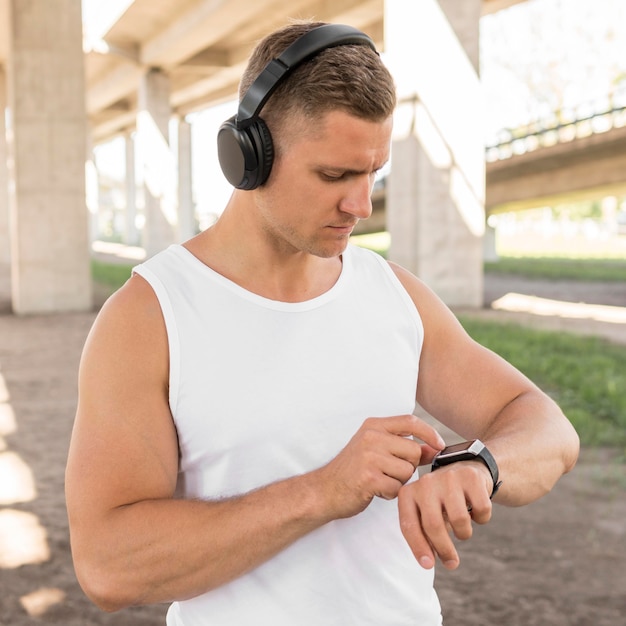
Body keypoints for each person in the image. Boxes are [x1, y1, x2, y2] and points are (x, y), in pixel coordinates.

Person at [66, 20, 579, 626]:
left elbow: (548, 428)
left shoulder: (395, 295)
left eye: (373, 174)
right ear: (247, 156)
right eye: (335, 176)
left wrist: (482, 466)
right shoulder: (150, 317)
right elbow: (108, 566)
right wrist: (322, 491)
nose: (361, 205)